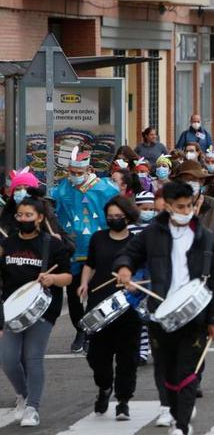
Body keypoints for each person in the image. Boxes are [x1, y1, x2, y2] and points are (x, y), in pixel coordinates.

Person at [114, 182, 214, 435]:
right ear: (166, 205)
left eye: (189, 206)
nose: (186, 210)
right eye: (180, 207)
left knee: (187, 370)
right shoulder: (152, 234)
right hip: (160, 312)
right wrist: (125, 268)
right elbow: (129, 253)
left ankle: (181, 424)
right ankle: (176, 412)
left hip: (195, 315)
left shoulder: (206, 238)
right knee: (165, 370)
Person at [0, 198, 72, 427]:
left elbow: (68, 277)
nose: (23, 220)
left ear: (40, 218)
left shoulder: (52, 244)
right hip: (11, 310)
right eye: (20, 215)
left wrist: (52, 278)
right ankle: (23, 394)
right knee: (8, 359)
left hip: (44, 308)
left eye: (28, 215)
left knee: (33, 357)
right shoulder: (8, 244)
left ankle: (33, 407)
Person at [77, 196, 141, 420]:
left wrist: (135, 285)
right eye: (110, 217)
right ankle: (104, 387)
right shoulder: (98, 238)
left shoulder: (136, 243)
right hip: (99, 303)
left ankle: (123, 401)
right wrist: (84, 283)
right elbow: (90, 264)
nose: (114, 220)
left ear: (127, 216)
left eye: (118, 217)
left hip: (128, 306)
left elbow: (142, 272)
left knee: (127, 357)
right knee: (97, 356)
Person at [52, 148, 119, 354]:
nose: (74, 176)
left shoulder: (105, 189)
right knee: (73, 294)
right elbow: (57, 217)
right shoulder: (63, 190)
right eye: (71, 171)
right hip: (72, 248)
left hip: (98, 247)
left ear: (89, 169)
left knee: (94, 292)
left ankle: (93, 331)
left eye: (78, 172)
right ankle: (80, 329)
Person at [172, 160, 214, 264]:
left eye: (194, 179)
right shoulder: (171, 206)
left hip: (208, 268)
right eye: (185, 180)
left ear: (201, 182)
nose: (189, 183)